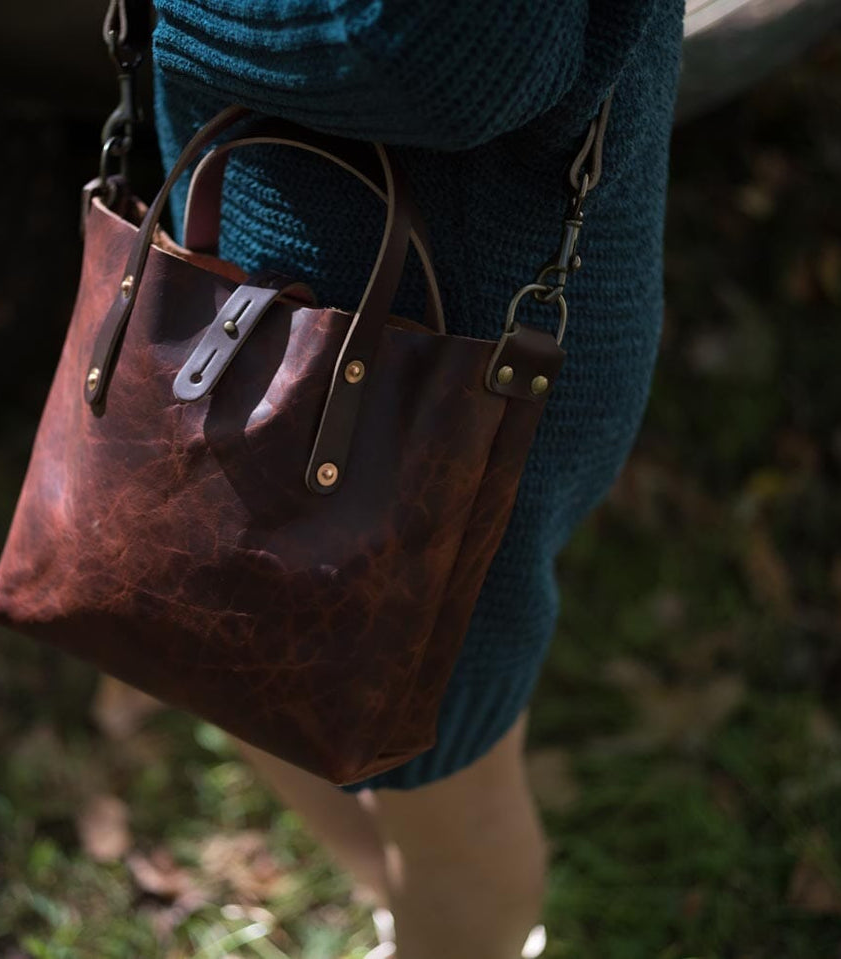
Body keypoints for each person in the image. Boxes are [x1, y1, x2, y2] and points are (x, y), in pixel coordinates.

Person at [146, 2, 685, 956]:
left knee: (444, 787)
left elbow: (452, 54)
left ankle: (443, 923)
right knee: (216, 645)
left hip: (447, 367)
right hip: (255, 295)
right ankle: (413, 917)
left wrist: (169, 15)